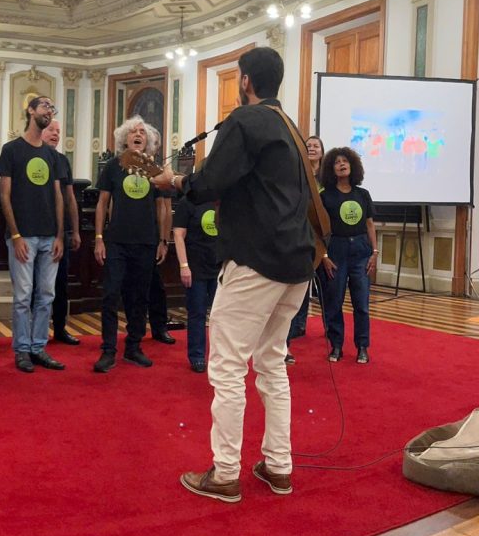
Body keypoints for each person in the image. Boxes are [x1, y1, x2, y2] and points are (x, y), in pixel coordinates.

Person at [152, 47, 314, 503]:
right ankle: (279, 466)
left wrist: (177, 182)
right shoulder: (292, 128)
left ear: (245, 81)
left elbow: (209, 185)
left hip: (256, 260)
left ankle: (225, 473)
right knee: (272, 363)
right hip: (296, 263)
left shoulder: (245, 122)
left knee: (226, 367)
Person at [0, 96, 66, 373]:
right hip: (23, 236)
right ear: (30, 111)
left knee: (46, 295)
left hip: (50, 236)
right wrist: (15, 235)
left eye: (52, 107)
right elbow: (5, 195)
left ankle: (39, 348)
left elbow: (58, 196)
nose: (49, 111)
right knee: (23, 296)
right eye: (45, 106)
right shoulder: (12, 150)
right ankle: (22, 350)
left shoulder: (52, 155)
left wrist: (60, 235)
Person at [93, 116, 168, 373]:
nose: (138, 135)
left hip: (146, 242)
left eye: (142, 133)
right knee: (110, 295)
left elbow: (162, 207)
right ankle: (108, 350)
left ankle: (133, 347)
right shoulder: (114, 167)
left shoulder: (154, 169)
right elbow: (102, 203)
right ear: (125, 138)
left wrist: (162, 240)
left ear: (147, 141)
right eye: (133, 132)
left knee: (140, 298)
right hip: (116, 242)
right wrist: (99, 238)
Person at [319, 146, 377, 364]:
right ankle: (336, 345)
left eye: (345, 161)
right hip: (336, 251)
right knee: (334, 301)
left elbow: (370, 224)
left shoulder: (363, 194)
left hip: (361, 251)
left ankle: (362, 346)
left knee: (361, 303)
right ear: (331, 168)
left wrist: (374, 252)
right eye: (337, 162)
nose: (341, 164)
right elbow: (320, 229)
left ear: (352, 166)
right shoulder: (325, 197)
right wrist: (324, 256)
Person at [40, 118, 81, 345]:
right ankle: (35, 332)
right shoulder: (31, 156)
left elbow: (70, 197)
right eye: (50, 130)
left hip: (60, 232)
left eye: (58, 131)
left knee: (60, 284)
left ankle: (60, 328)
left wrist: (74, 230)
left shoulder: (62, 160)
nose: (55, 134)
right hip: (37, 229)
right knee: (38, 287)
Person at [285, 135, 325, 364]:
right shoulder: (297, 173)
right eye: (307, 145)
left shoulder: (326, 179)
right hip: (298, 238)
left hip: (320, 238)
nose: (311, 148)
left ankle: (301, 326)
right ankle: (287, 339)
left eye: (315, 146)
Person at [172, 196, 220, 373]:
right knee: (197, 313)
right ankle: (197, 356)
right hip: (195, 267)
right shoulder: (188, 202)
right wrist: (184, 265)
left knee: (221, 315)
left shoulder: (222, 198)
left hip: (219, 267)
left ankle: (220, 355)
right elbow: (178, 234)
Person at [145, 122, 177, 345]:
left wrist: (164, 240)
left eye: (154, 142)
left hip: (153, 237)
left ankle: (159, 327)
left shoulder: (159, 172)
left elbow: (166, 209)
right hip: (130, 236)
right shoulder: (124, 166)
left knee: (156, 285)